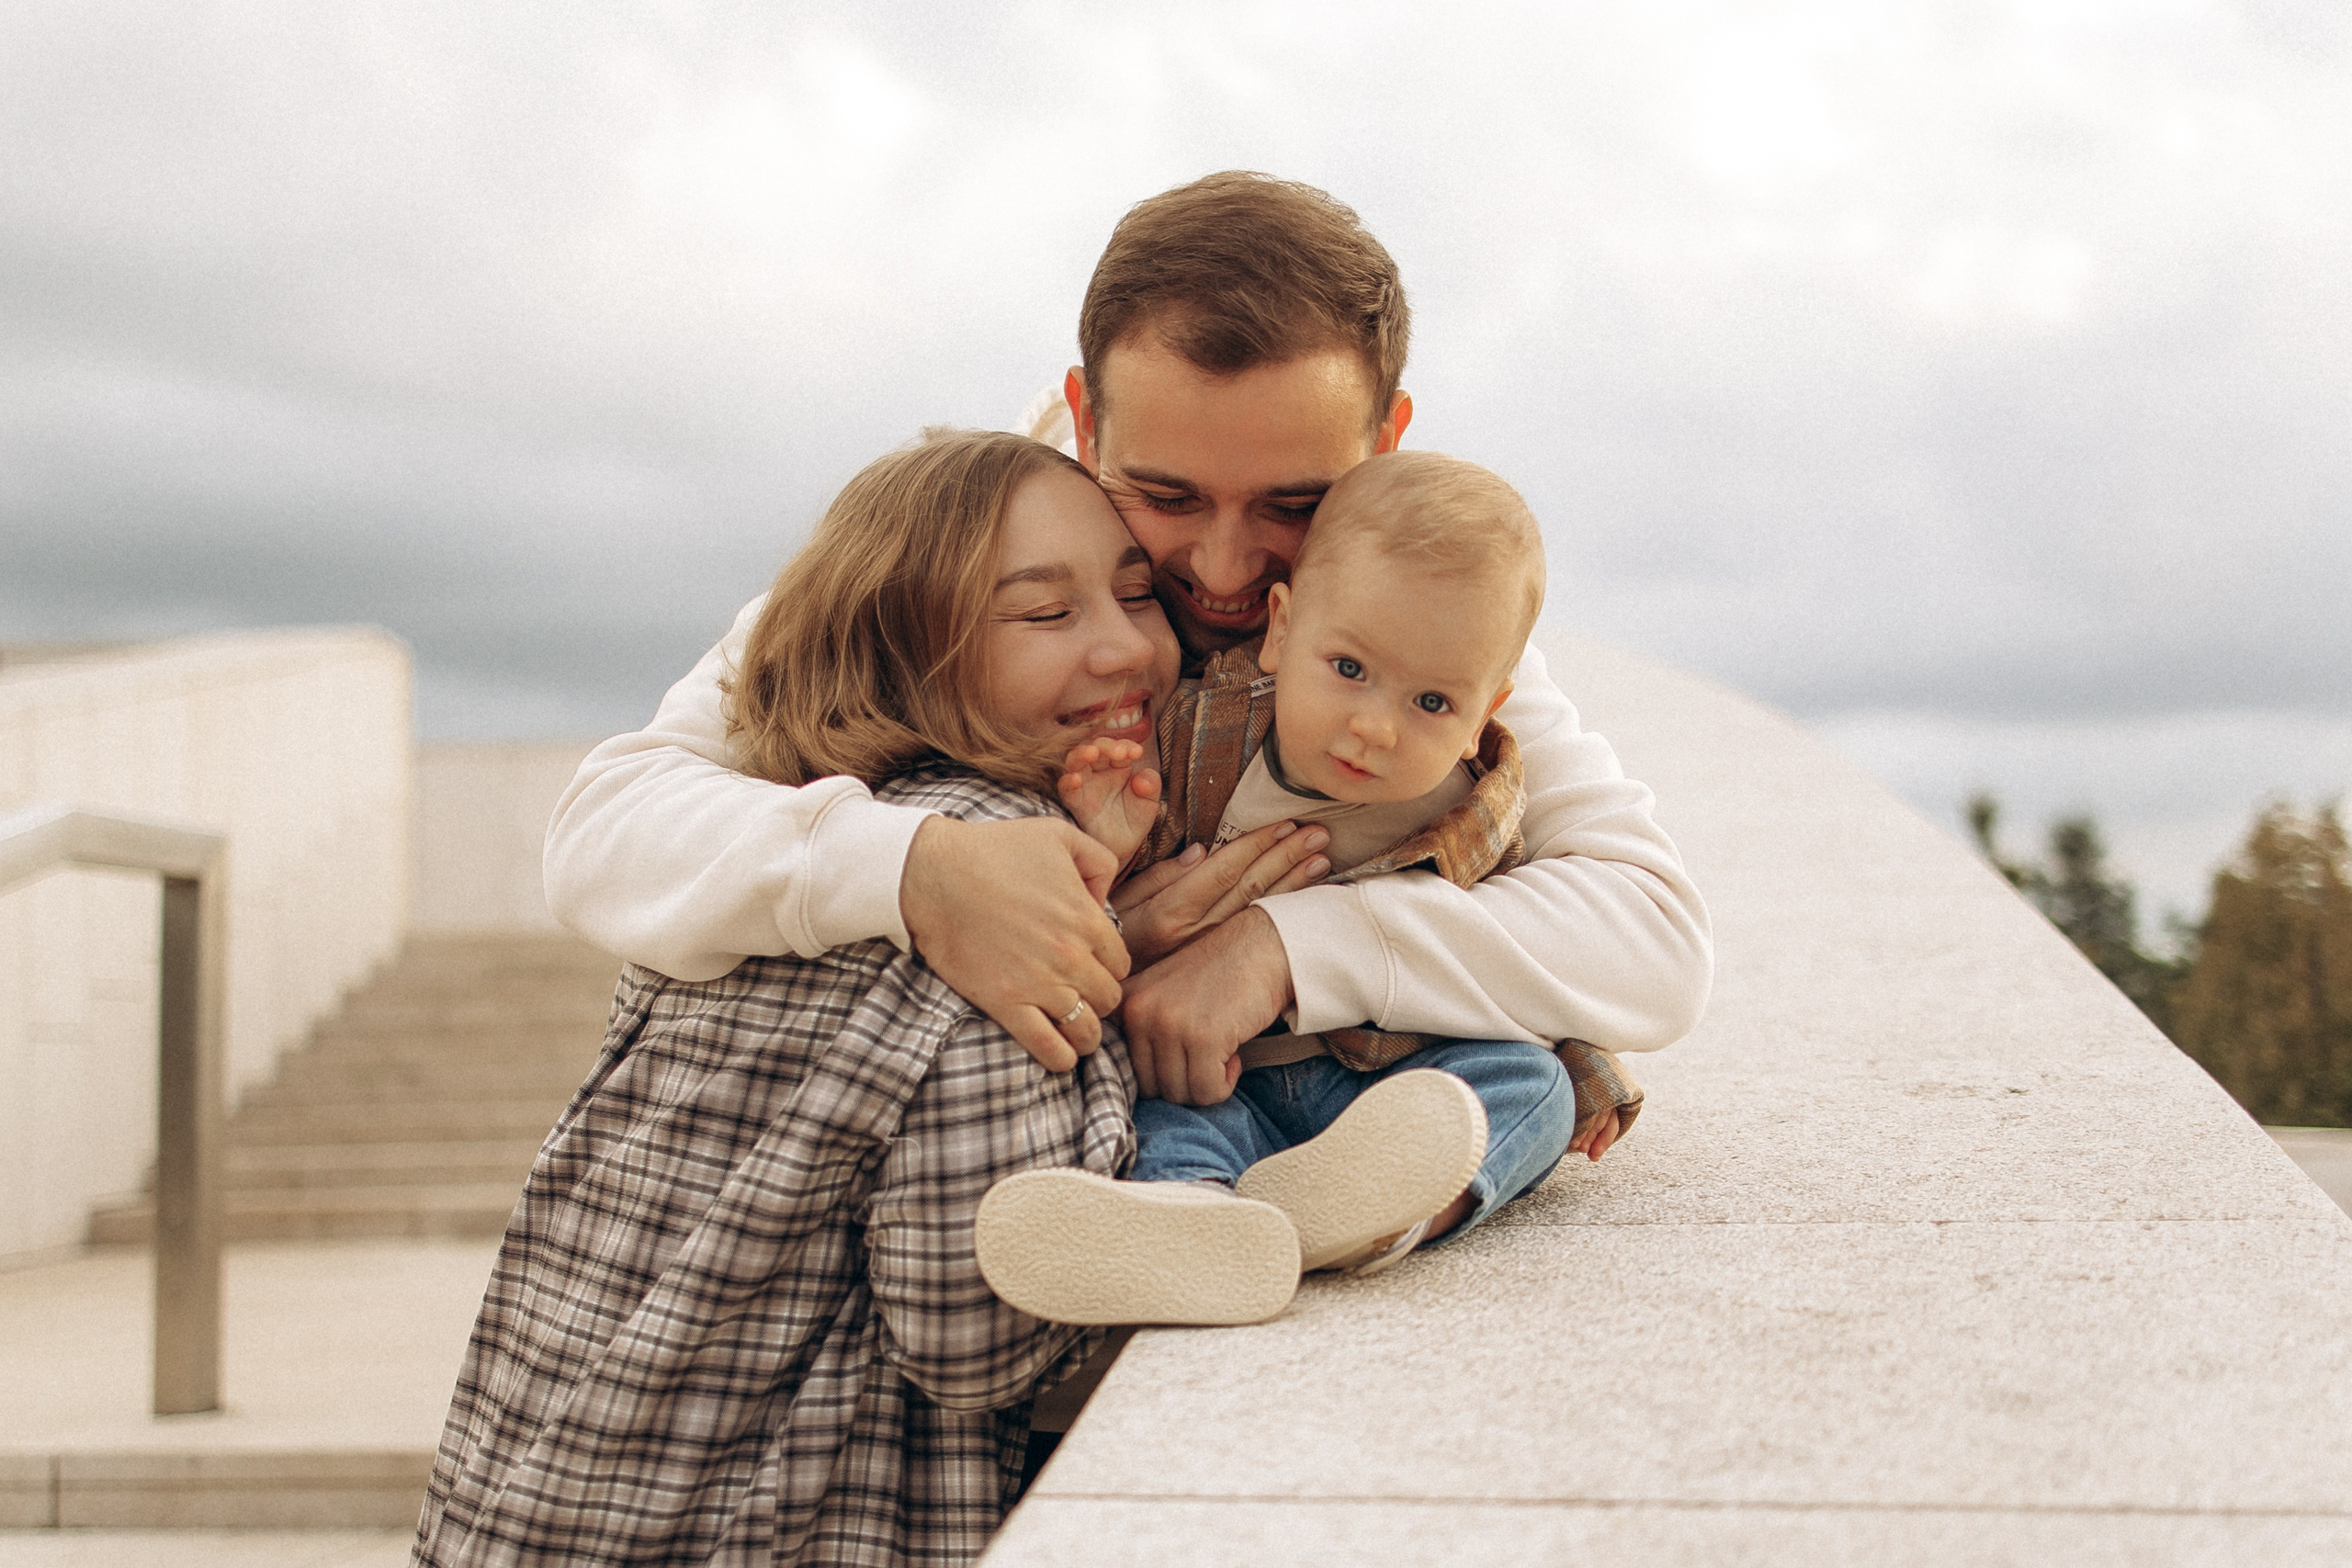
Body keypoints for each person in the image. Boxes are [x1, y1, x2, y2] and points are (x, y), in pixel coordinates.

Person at [543, 172, 1713, 1145]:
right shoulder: (951, 550)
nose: (1220, 567)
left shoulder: (1391, 624)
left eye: (1291, 504)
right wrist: (919, 872)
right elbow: (604, 833)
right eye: (1162, 495)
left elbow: (1654, 938)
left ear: (1385, 440)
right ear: (1082, 420)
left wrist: (1282, 951)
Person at [413, 431, 1178, 1567]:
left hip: (534, 1484)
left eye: (1133, 593)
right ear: (907, 651)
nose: (1124, 645)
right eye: (1044, 615)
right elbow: (973, 1324)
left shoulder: (759, 850)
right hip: (767, 1517)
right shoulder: (993, 896)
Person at [976, 451, 1609, 1325]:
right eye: (1348, 668)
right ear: (1281, 627)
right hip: (1225, 1076)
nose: (1375, 725)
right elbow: (1110, 884)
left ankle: (1376, 1215)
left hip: (1389, 1083)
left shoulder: (1477, 805)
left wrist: (1590, 1065)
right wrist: (1102, 837)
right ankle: (1190, 1219)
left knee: (1533, 1087)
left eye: (1432, 703)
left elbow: (1519, 953)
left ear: (1485, 711)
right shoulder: (1196, 734)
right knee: (1172, 1119)